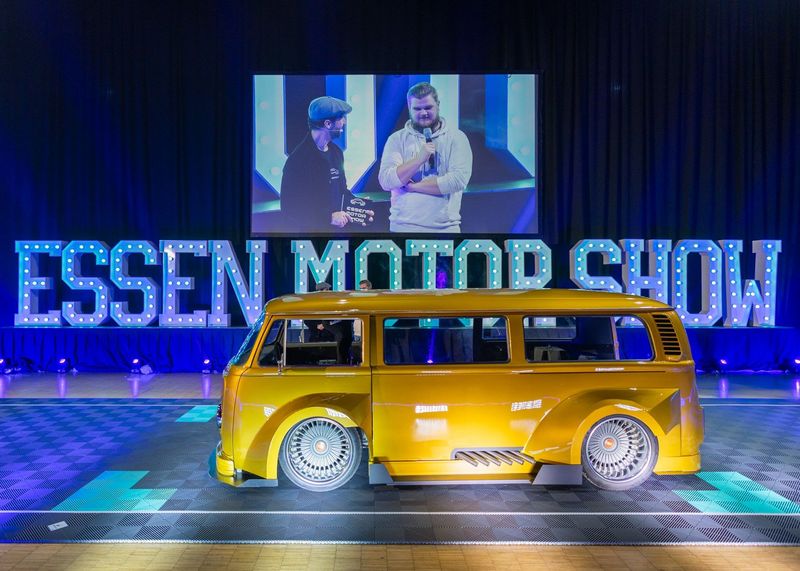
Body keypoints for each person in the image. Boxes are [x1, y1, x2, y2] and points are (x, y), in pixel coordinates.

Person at [378, 82, 473, 233]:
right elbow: (386, 181)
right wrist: (418, 160)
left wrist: (413, 187)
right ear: (409, 108)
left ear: (438, 105)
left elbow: (458, 180)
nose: (423, 113)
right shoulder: (396, 139)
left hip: (445, 229)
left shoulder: (457, 137)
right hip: (402, 228)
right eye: (417, 109)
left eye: (428, 107)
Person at [280, 96, 356, 231]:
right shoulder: (297, 160)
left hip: (337, 234)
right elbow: (290, 208)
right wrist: (328, 217)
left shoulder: (336, 153)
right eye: (341, 118)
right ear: (328, 124)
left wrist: (360, 205)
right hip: (312, 236)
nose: (344, 122)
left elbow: (342, 191)